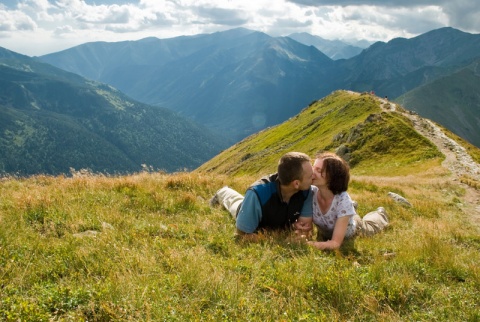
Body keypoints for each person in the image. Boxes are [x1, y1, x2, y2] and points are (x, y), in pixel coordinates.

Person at [210, 152, 314, 241]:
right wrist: (276, 238)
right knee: (235, 202)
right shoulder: (257, 194)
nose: (314, 178)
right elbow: (242, 234)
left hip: (275, 218)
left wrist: (298, 231)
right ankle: (223, 192)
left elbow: (305, 229)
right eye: (310, 176)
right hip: (250, 210)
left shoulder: (307, 190)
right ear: (296, 183)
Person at [303, 152, 389, 250]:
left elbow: (335, 243)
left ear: (332, 177)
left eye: (318, 170)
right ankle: (351, 209)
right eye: (313, 168)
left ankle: (380, 214)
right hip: (340, 216)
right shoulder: (310, 192)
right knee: (346, 210)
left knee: (372, 225)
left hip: (356, 229)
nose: (312, 172)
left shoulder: (342, 200)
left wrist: (310, 245)